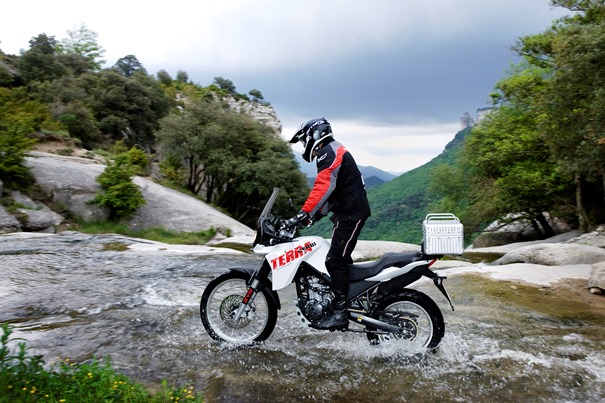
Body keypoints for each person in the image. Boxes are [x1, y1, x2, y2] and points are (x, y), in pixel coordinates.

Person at [286, 117, 371, 330]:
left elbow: (323, 187)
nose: (307, 147)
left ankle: (341, 312)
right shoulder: (332, 151)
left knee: (334, 261)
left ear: (315, 134)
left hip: (351, 215)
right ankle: (351, 299)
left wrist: (303, 213)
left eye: (305, 141)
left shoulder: (329, 151)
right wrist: (311, 217)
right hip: (347, 213)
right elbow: (330, 195)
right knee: (339, 259)